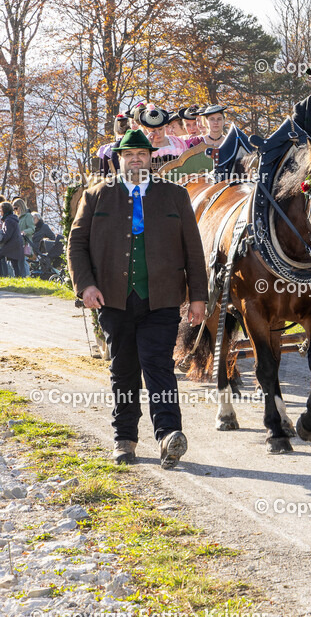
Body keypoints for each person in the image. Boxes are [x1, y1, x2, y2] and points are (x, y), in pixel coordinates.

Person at [67, 128, 208, 467]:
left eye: (141, 154)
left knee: (158, 365)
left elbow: (193, 249)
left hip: (162, 299)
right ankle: (124, 438)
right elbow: (77, 244)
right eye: (128, 155)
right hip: (112, 299)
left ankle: (168, 436)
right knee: (124, 369)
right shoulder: (96, 196)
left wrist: (199, 297)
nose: (135, 160)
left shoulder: (174, 196)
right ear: (119, 159)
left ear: (150, 158)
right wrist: (86, 286)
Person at [0, 201, 25, 277]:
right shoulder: (11, 219)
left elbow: (7, 234)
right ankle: (18, 278)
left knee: (11, 262)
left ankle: (4, 276)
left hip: (12, 245)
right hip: (15, 244)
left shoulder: (8, 220)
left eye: (1, 210)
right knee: (15, 264)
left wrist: (1, 240)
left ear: (4, 210)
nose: (0, 212)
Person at [13, 198, 35, 277]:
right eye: (14, 209)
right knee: (17, 261)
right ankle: (19, 276)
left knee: (23, 261)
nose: (15, 210)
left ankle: (26, 276)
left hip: (24, 242)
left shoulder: (27, 216)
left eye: (16, 208)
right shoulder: (16, 217)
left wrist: (25, 231)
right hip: (17, 242)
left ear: (20, 206)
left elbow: (32, 228)